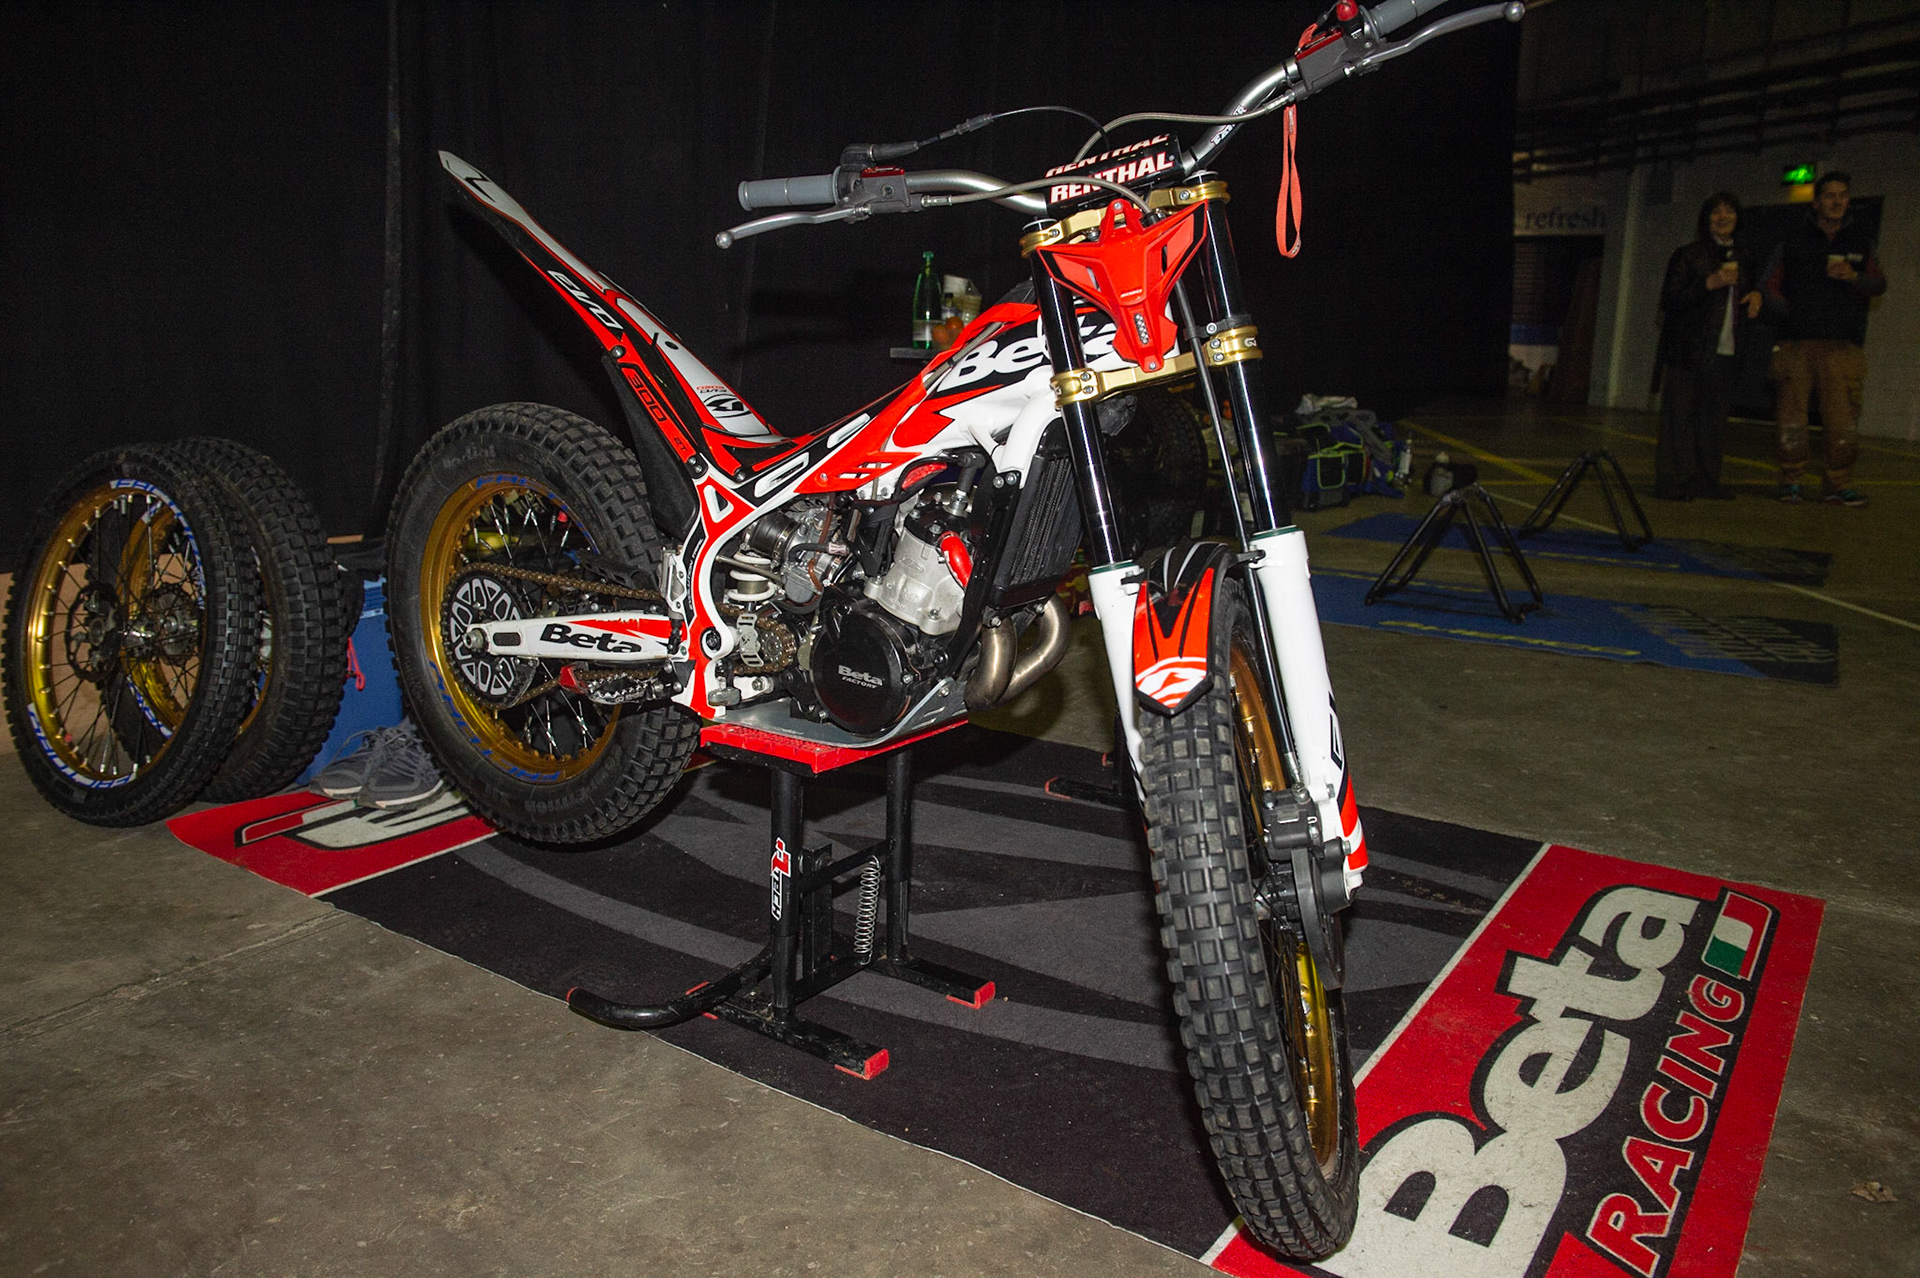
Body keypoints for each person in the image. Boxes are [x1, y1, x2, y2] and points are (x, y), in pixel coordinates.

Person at [1763, 172, 1888, 506]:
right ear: (1817, 201)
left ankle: (1838, 485)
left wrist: (1856, 276)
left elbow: (1878, 284)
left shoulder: (1860, 239)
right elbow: (1768, 283)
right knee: (1791, 417)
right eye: (1829, 196)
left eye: (1843, 195)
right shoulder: (1792, 238)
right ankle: (1791, 481)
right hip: (1797, 344)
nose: (1836, 201)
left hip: (1842, 346)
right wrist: (1792, 314)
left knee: (1842, 420)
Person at [1655, 193, 1762, 500]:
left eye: (1729, 211)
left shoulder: (1745, 257)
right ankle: (1673, 481)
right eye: (1716, 212)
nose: (1723, 217)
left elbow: (1751, 294)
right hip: (1687, 351)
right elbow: (1669, 301)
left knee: (1713, 422)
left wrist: (1756, 297)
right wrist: (1707, 285)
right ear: (1705, 218)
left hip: (1726, 352)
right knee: (1679, 420)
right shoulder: (1688, 255)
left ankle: (1707, 480)